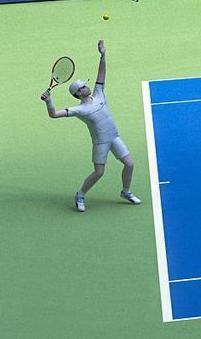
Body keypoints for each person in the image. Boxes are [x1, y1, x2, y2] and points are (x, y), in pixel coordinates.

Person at [41, 41, 140, 212]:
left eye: (86, 85)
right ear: (78, 93)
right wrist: (49, 102)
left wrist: (103, 56)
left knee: (129, 164)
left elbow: (101, 75)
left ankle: (126, 191)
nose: (87, 87)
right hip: (101, 143)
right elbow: (53, 115)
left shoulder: (99, 94)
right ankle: (80, 194)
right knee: (99, 173)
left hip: (114, 137)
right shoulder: (79, 109)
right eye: (83, 86)